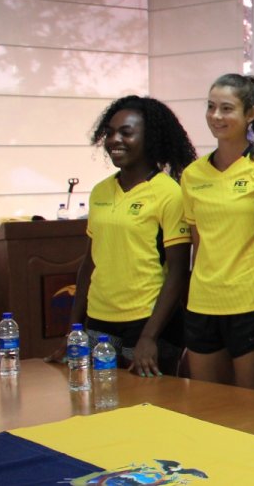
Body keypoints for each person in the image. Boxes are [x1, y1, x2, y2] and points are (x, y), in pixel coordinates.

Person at [52, 95, 197, 377]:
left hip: (148, 324)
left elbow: (179, 272)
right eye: (110, 132)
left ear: (150, 138)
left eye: (126, 133)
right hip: (98, 322)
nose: (114, 140)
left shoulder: (169, 193)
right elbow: (89, 263)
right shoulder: (100, 192)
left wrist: (149, 337)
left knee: (149, 411)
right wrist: (74, 328)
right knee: (98, 407)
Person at [179, 73, 254, 391]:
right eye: (211, 107)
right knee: (208, 409)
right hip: (202, 304)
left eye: (226, 108)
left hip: (251, 303)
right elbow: (198, 244)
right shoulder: (193, 174)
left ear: (250, 113)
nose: (216, 116)